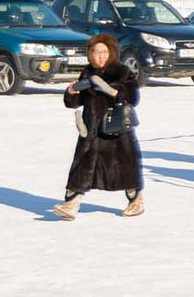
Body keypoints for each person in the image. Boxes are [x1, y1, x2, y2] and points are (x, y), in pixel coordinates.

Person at [54, 34, 143, 219]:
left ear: (111, 53)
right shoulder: (87, 73)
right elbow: (74, 102)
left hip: (116, 130)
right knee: (82, 166)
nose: (100, 56)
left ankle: (136, 201)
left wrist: (116, 91)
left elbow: (133, 98)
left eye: (104, 52)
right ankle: (71, 204)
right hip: (92, 131)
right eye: (96, 52)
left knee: (124, 168)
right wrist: (71, 93)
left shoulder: (122, 71)